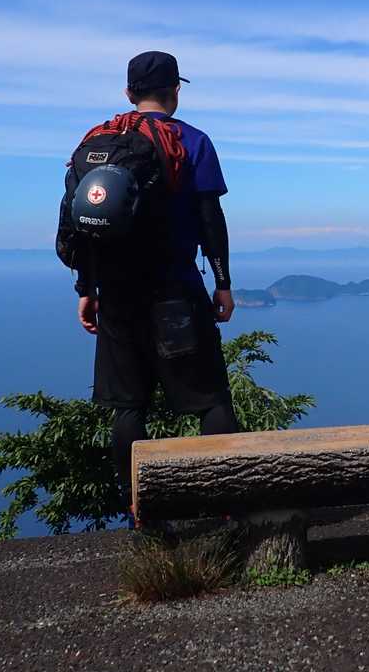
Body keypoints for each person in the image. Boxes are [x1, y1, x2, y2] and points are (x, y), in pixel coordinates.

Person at [59, 50, 238, 507]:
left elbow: (79, 225)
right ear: (175, 90)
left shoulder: (97, 143)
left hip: (117, 295)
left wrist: (87, 289)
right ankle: (225, 504)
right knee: (210, 400)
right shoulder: (191, 141)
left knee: (128, 406)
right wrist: (222, 282)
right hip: (176, 290)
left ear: (128, 93)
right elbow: (210, 219)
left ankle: (138, 508)